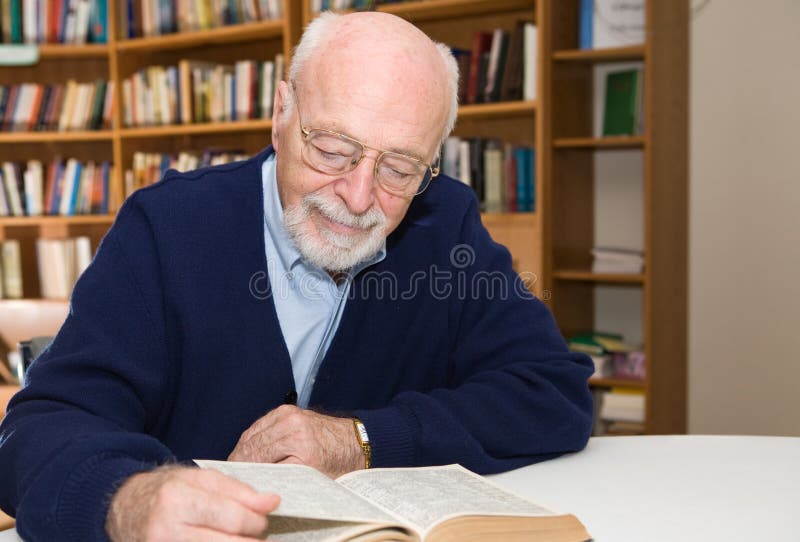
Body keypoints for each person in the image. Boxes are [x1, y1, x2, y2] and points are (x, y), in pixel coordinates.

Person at [0, 11, 593, 542]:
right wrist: (128, 501)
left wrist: (361, 440)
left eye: (399, 168)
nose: (359, 198)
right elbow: (39, 429)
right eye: (333, 148)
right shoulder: (166, 228)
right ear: (281, 111)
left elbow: (552, 391)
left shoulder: (445, 223)